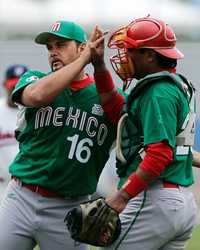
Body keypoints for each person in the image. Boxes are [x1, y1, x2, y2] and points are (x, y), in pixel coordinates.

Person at [0, 20, 118, 250]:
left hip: (69, 206)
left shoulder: (104, 97)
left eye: (61, 45)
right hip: (21, 197)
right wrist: (86, 59)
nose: (53, 52)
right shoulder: (34, 78)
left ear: (82, 47)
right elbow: (36, 96)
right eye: (50, 47)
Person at [88, 17, 198, 250]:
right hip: (180, 202)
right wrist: (99, 67)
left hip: (153, 198)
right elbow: (118, 110)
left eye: (130, 50)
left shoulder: (157, 92)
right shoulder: (176, 86)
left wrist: (121, 198)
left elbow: (159, 153)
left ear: (150, 55)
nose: (125, 56)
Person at [0, 64, 28, 201]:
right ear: (5, 85)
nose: (16, 91)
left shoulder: (36, 111)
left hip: (27, 186)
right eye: (13, 86)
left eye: (19, 86)